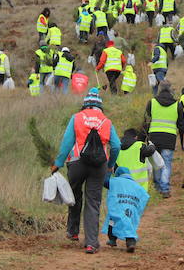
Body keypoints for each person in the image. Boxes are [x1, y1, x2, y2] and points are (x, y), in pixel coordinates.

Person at [50, 88, 121, 254]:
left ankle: (73, 232)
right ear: (99, 106)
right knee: (93, 202)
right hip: (98, 166)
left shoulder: (77, 117)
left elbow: (67, 143)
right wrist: (110, 165)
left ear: (85, 104)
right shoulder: (106, 121)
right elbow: (116, 146)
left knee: (74, 195)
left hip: (77, 163)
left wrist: (58, 163)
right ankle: (90, 243)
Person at [144, 80, 184, 198]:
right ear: (170, 89)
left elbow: (146, 121)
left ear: (160, 88)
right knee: (166, 163)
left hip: (154, 137)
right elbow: (182, 125)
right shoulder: (177, 104)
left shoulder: (152, 102)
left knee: (156, 162)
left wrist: (143, 137)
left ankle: (158, 186)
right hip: (169, 138)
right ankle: (165, 188)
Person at [102, 166, 149, 253]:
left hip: (117, 208)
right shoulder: (136, 185)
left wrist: (108, 171)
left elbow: (104, 181)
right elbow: (145, 196)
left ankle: (112, 240)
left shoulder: (114, 181)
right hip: (131, 210)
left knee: (112, 222)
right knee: (129, 225)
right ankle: (130, 242)